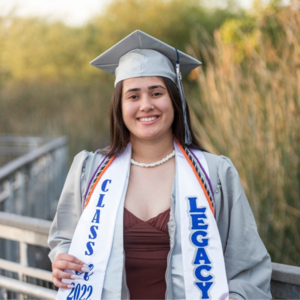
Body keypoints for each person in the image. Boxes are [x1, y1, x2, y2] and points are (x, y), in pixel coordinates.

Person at [48, 30, 272, 300]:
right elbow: (65, 240)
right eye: (133, 96)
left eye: (156, 93)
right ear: (118, 107)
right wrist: (61, 259)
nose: (145, 105)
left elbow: (248, 266)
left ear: (174, 101)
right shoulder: (89, 171)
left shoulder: (215, 174)